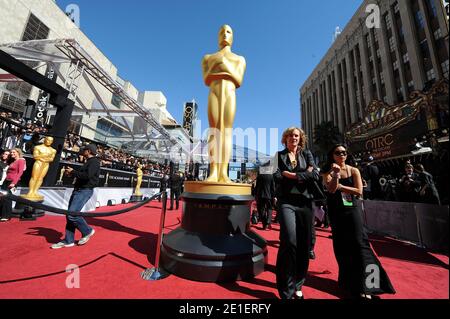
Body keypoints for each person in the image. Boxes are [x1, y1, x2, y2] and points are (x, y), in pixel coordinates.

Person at [321, 144, 395, 299]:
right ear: (332, 155)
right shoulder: (327, 171)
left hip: (352, 209)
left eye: (344, 152)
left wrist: (341, 185)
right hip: (336, 211)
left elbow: (359, 191)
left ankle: (371, 285)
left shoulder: (354, 170)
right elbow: (331, 189)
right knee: (342, 246)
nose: (341, 154)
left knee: (360, 243)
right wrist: (335, 175)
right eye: (338, 152)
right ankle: (349, 283)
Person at [273, 127, 320, 299]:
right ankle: (286, 287)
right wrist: (303, 173)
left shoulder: (307, 154)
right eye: (290, 135)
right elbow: (276, 176)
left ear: (300, 138)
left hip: (305, 202)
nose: (293, 138)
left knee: (304, 244)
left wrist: (292, 176)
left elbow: (315, 174)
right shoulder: (277, 156)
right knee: (289, 241)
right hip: (286, 202)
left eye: (296, 135)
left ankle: (298, 284)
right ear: (284, 138)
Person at [202, 24, 246, 183]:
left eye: (229, 32)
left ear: (233, 37)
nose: (225, 34)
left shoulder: (239, 59)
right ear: (218, 36)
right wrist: (223, 68)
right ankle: (213, 171)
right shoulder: (208, 58)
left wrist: (221, 65)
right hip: (214, 92)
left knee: (226, 131)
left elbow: (238, 79)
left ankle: (223, 173)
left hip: (230, 93)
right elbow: (206, 78)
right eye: (222, 32)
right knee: (214, 130)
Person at [51, 144, 100, 249]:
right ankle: (68, 240)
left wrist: (73, 172)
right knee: (69, 215)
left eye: (84, 150)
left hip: (84, 190)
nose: (82, 151)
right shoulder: (89, 162)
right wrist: (73, 173)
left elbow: (87, 176)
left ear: (89, 151)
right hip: (79, 190)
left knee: (72, 215)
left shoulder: (94, 162)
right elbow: (83, 176)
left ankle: (87, 231)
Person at [22, 136, 56, 201]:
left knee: (40, 178)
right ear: (45, 140)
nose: (49, 142)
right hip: (38, 163)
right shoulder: (38, 147)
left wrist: (43, 158)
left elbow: (51, 159)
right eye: (48, 140)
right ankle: (30, 191)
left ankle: (35, 191)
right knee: (34, 177)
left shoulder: (53, 150)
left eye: (51, 141)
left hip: (46, 164)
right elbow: (35, 156)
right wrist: (44, 156)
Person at [0, 148, 26, 222]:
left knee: (7, 198)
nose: (12, 154)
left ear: (18, 152)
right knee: (2, 197)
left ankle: (6, 216)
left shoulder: (21, 160)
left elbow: (20, 173)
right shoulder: (13, 161)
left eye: (14, 152)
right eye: (11, 153)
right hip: (6, 181)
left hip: (12, 181)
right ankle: (2, 214)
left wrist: (14, 183)